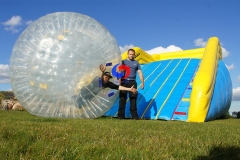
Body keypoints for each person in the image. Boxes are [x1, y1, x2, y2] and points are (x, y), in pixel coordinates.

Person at [118, 48, 144, 120]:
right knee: (122, 98)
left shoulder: (136, 62)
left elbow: (140, 72)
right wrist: (119, 81)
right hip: (124, 81)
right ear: (127, 54)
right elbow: (120, 71)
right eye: (130, 54)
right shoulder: (123, 62)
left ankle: (134, 117)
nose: (131, 55)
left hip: (133, 82)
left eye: (132, 54)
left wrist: (142, 82)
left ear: (134, 55)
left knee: (133, 99)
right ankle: (120, 116)